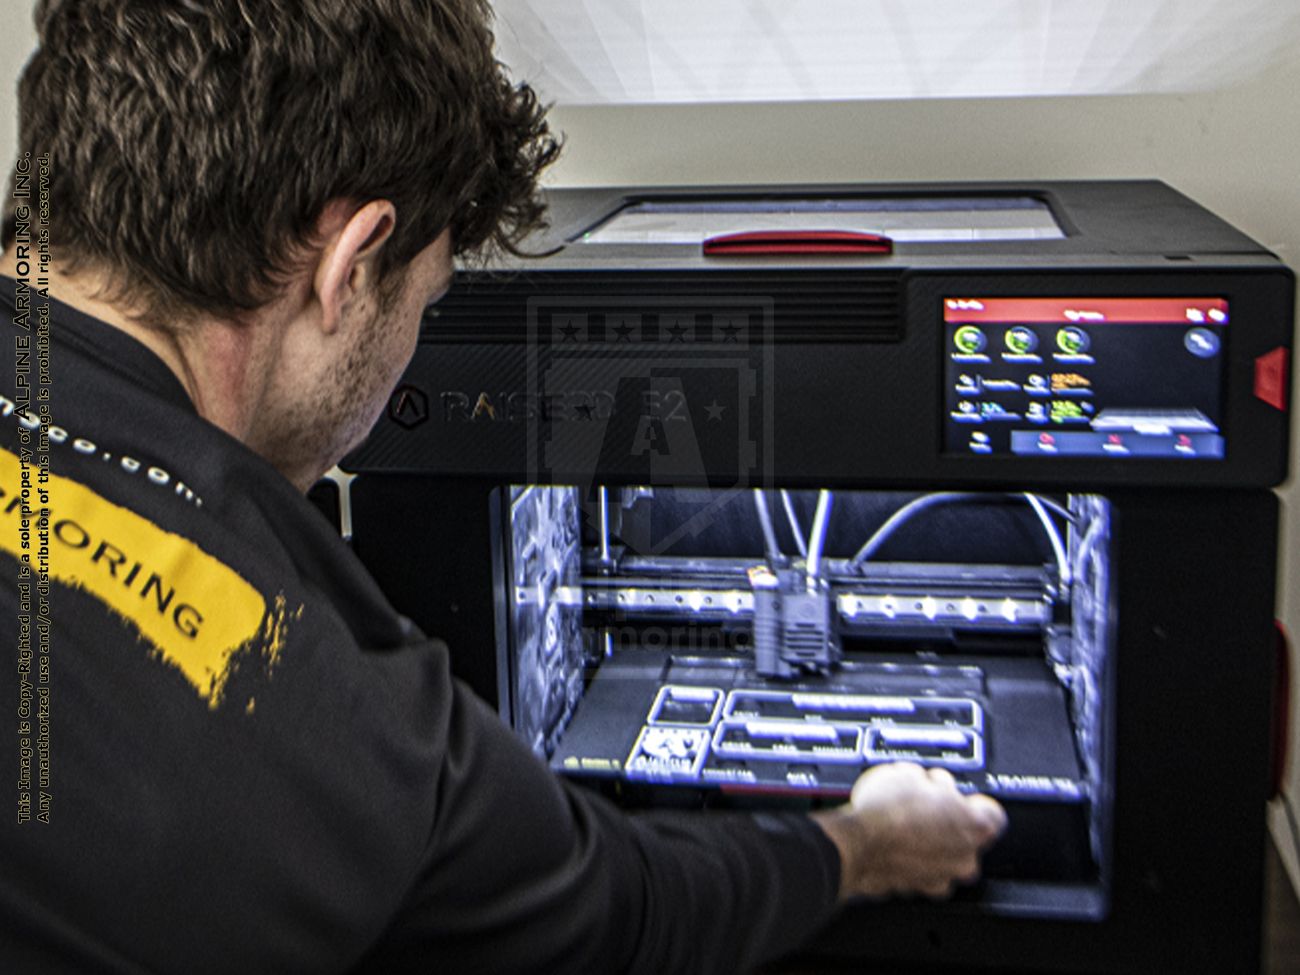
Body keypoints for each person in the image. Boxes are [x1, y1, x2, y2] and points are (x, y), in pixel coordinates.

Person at [0, 2, 1006, 972]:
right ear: (351, 267)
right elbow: (626, 916)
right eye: (427, 302)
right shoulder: (310, 708)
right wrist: (866, 844)